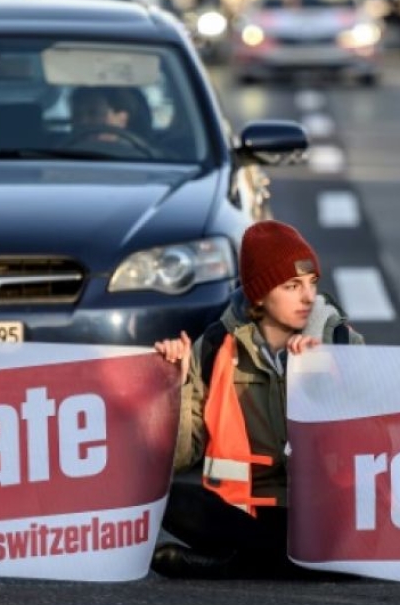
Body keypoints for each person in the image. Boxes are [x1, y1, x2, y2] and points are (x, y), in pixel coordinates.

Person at [152, 220, 363, 579]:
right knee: (169, 501)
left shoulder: (341, 342)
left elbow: (368, 448)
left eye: (312, 284)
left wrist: (324, 375)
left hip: (325, 511)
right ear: (260, 295)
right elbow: (180, 458)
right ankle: (295, 564)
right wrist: (176, 383)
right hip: (248, 511)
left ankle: (234, 564)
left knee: (340, 533)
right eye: (292, 286)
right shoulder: (216, 347)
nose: (308, 297)